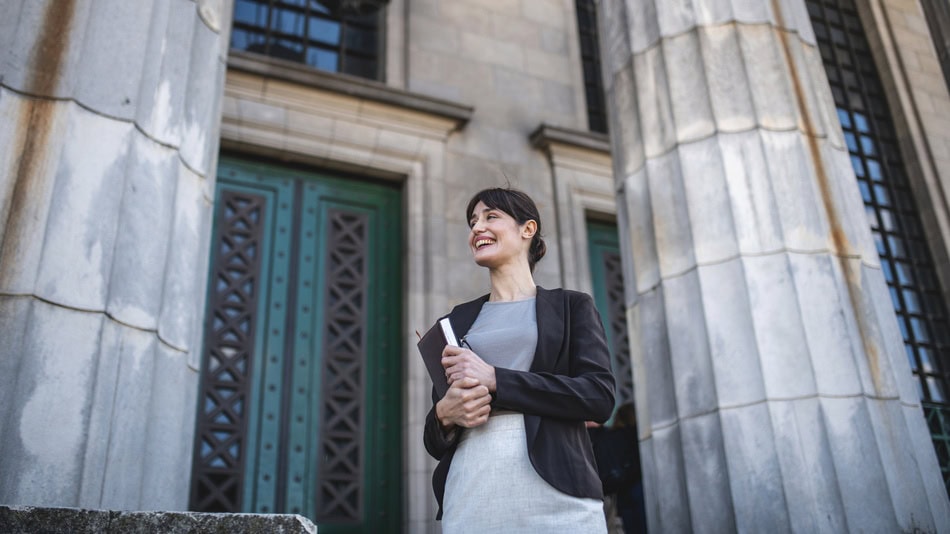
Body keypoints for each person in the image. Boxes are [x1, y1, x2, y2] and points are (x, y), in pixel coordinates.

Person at [423, 187, 617, 532]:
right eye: (472, 222)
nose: (476, 229)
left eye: (490, 217)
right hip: (472, 482)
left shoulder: (571, 307)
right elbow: (436, 434)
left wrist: (497, 379)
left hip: (559, 485)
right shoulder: (455, 321)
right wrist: (443, 416)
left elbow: (598, 396)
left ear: (527, 229)